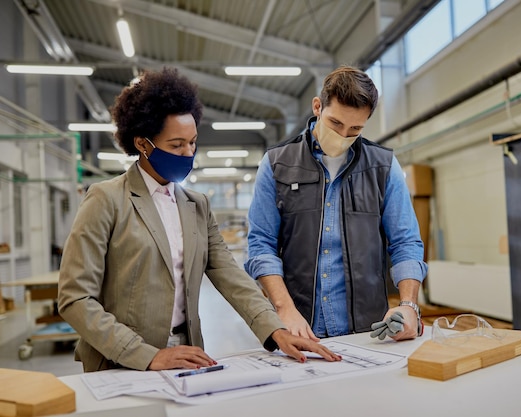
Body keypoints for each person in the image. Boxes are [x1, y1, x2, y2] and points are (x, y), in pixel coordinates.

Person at [57, 67, 341, 372]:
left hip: (186, 354)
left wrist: (276, 330)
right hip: (119, 361)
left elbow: (231, 277)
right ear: (142, 143)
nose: (188, 153)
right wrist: (146, 355)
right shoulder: (107, 199)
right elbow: (75, 298)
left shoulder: (196, 206)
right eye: (176, 145)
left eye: (193, 142)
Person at [245, 65, 428, 341]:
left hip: (369, 331)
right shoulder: (276, 164)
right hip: (299, 328)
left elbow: (406, 242)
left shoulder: (383, 166)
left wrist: (408, 305)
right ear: (317, 106)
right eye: (335, 124)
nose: (344, 136)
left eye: (355, 128)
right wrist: (283, 309)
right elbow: (261, 244)